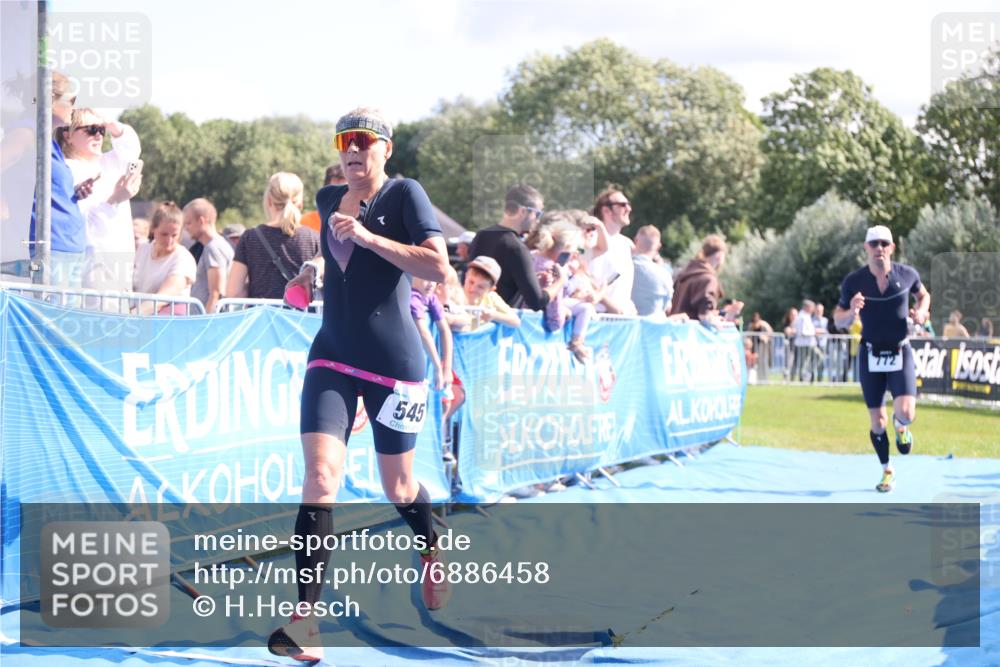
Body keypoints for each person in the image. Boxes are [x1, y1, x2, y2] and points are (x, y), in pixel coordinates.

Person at [268, 108, 451, 663]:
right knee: (321, 478)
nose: (352, 150)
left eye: (363, 141)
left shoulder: (406, 195)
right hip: (333, 355)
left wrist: (370, 237)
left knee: (397, 488)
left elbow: (438, 268)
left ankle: (432, 540)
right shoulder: (326, 202)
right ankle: (305, 623)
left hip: (396, 362)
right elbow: (335, 257)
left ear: (385, 149)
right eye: (344, 141)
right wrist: (314, 274)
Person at [833, 225, 930, 493]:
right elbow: (837, 318)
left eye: (884, 244)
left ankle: (902, 428)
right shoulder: (854, 281)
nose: (879, 249)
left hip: (900, 350)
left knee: (906, 412)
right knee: (877, 422)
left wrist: (921, 312)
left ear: (892, 247)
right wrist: (851, 311)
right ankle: (887, 470)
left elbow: (923, 295)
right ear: (866, 248)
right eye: (873, 244)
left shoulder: (907, 274)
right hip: (870, 352)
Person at [59, 109, 142, 306]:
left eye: (100, 130)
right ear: (68, 136)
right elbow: (84, 223)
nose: (98, 134)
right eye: (90, 129)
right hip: (92, 262)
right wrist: (115, 200)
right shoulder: (66, 168)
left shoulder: (109, 161)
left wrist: (110, 123)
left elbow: (132, 147)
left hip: (120, 258)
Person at [28, 71, 91, 296]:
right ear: (50, 98)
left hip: (68, 247)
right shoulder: (28, 132)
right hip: (51, 247)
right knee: (49, 325)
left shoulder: (51, 142)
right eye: (71, 101)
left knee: (63, 324)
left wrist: (72, 193)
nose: (74, 108)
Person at [466, 184, 564, 310]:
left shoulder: (482, 235)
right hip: (499, 323)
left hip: (473, 313)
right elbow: (537, 302)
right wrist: (560, 281)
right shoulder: (517, 248)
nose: (537, 220)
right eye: (537, 214)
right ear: (522, 211)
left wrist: (531, 279)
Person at [227, 173, 320, 300]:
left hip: (263, 317)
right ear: (300, 203)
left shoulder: (250, 238)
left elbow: (234, 292)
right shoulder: (315, 239)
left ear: (269, 200)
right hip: (300, 318)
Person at [132, 202, 196, 315]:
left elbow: (163, 298)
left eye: (174, 235)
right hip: (140, 321)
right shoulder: (142, 250)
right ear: (153, 229)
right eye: (164, 234)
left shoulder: (183, 258)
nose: (169, 240)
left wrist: (130, 316)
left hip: (166, 323)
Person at [670, 234, 743, 324]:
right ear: (719, 256)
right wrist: (723, 319)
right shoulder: (708, 279)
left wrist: (721, 313)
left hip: (674, 332)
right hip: (691, 335)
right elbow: (704, 315)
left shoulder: (684, 274)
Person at [588, 188, 637, 314]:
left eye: (628, 204)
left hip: (621, 321)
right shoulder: (590, 239)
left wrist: (629, 305)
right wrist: (610, 306)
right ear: (606, 210)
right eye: (622, 205)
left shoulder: (626, 244)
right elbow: (581, 276)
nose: (629, 209)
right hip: (596, 317)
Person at [183, 198, 233, 314]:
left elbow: (216, 292)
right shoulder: (214, 246)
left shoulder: (213, 248)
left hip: (207, 322)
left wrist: (206, 324)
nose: (186, 228)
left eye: (189, 223)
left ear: (201, 221)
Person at [463, 255, 522, 330]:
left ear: (491, 289)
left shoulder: (491, 298)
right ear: (466, 276)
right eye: (471, 282)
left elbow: (516, 322)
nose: (473, 288)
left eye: (480, 287)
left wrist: (494, 315)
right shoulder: (456, 294)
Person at [631, 224, 673, 316]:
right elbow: (667, 307)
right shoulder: (665, 274)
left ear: (635, 241)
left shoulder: (623, 267)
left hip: (625, 326)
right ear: (658, 246)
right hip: (655, 326)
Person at [300, 164, 347, 233]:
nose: (339, 197)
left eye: (344, 191)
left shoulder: (361, 226)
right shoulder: (306, 222)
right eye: (334, 191)